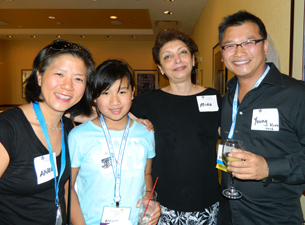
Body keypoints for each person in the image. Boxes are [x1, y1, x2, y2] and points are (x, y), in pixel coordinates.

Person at [218, 10, 305, 225]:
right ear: (222, 55)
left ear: (265, 47)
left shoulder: (296, 95)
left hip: (274, 219)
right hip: (227, 215)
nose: (239, 52)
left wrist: (268, 167)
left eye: (249, 42)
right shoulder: (227, 96)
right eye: (230, 45)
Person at [130, 29, 222, 224]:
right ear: (160, 68)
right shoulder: (148, 101)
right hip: (163, 205)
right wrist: (132, 118)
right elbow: (109, 110)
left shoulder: (214, 97)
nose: (177, 60)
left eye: (183, 52)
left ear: (193, 59)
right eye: (168, 56)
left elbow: (231, 133)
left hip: (207, 202)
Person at [0, 40, 95, 224]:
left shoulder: (68, 128)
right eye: (59, 74)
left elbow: (65, 188)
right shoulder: (8, 129)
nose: (68, 86)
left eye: (78, 78)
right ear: (39, 76)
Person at [68, 59, 160, 225]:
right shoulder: (78, 136)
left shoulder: (146, 133)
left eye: (122, 92)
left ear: (133, 93)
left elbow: (146, 174)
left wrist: (148, 199)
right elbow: (69, 187)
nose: (115, 101)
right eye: (106, 93)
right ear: (94, 97)